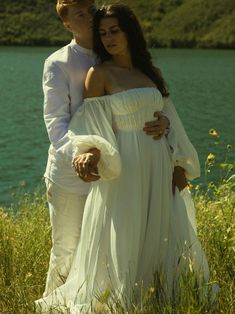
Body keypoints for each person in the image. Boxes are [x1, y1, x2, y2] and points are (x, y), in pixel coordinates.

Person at [36, 4, 211, 313]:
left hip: (156, 162)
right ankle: (119, 299)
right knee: (116, 234)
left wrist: (175, 154)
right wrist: (87, 153)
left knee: (157, 228)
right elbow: (87, 123)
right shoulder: (95, 72)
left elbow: (167, 114)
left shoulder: (148, 71)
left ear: (130, 31)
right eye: (103, 33)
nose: (108, 37)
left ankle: (155, 295)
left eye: (114, 31)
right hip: (124, 163)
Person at [42, 0, 172, 298]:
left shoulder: (120, 59)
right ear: (67, 24)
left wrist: (162, 121)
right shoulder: (58, 63)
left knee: (107, 248)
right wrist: (82, 155)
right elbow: (56, 122)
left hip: (116, 171)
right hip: (72, 171)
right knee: (68, 248)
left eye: (90, 11)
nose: (88, 18)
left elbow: (143, 106)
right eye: (79, 15)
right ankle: (57, 302)